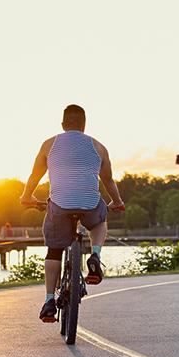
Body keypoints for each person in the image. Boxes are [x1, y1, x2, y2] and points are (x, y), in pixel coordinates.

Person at [20, 104, 126, 323]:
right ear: (84, 125)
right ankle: (95, 255)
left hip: (59, 205)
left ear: (63, 124)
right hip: (89, 203)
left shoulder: (49, 144)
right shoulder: (98, 146)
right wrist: (117, 201)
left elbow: (35, 175)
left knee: (54, 250)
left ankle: (49, 301)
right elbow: (108, 181)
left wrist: (26, 196)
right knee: (100, 221)